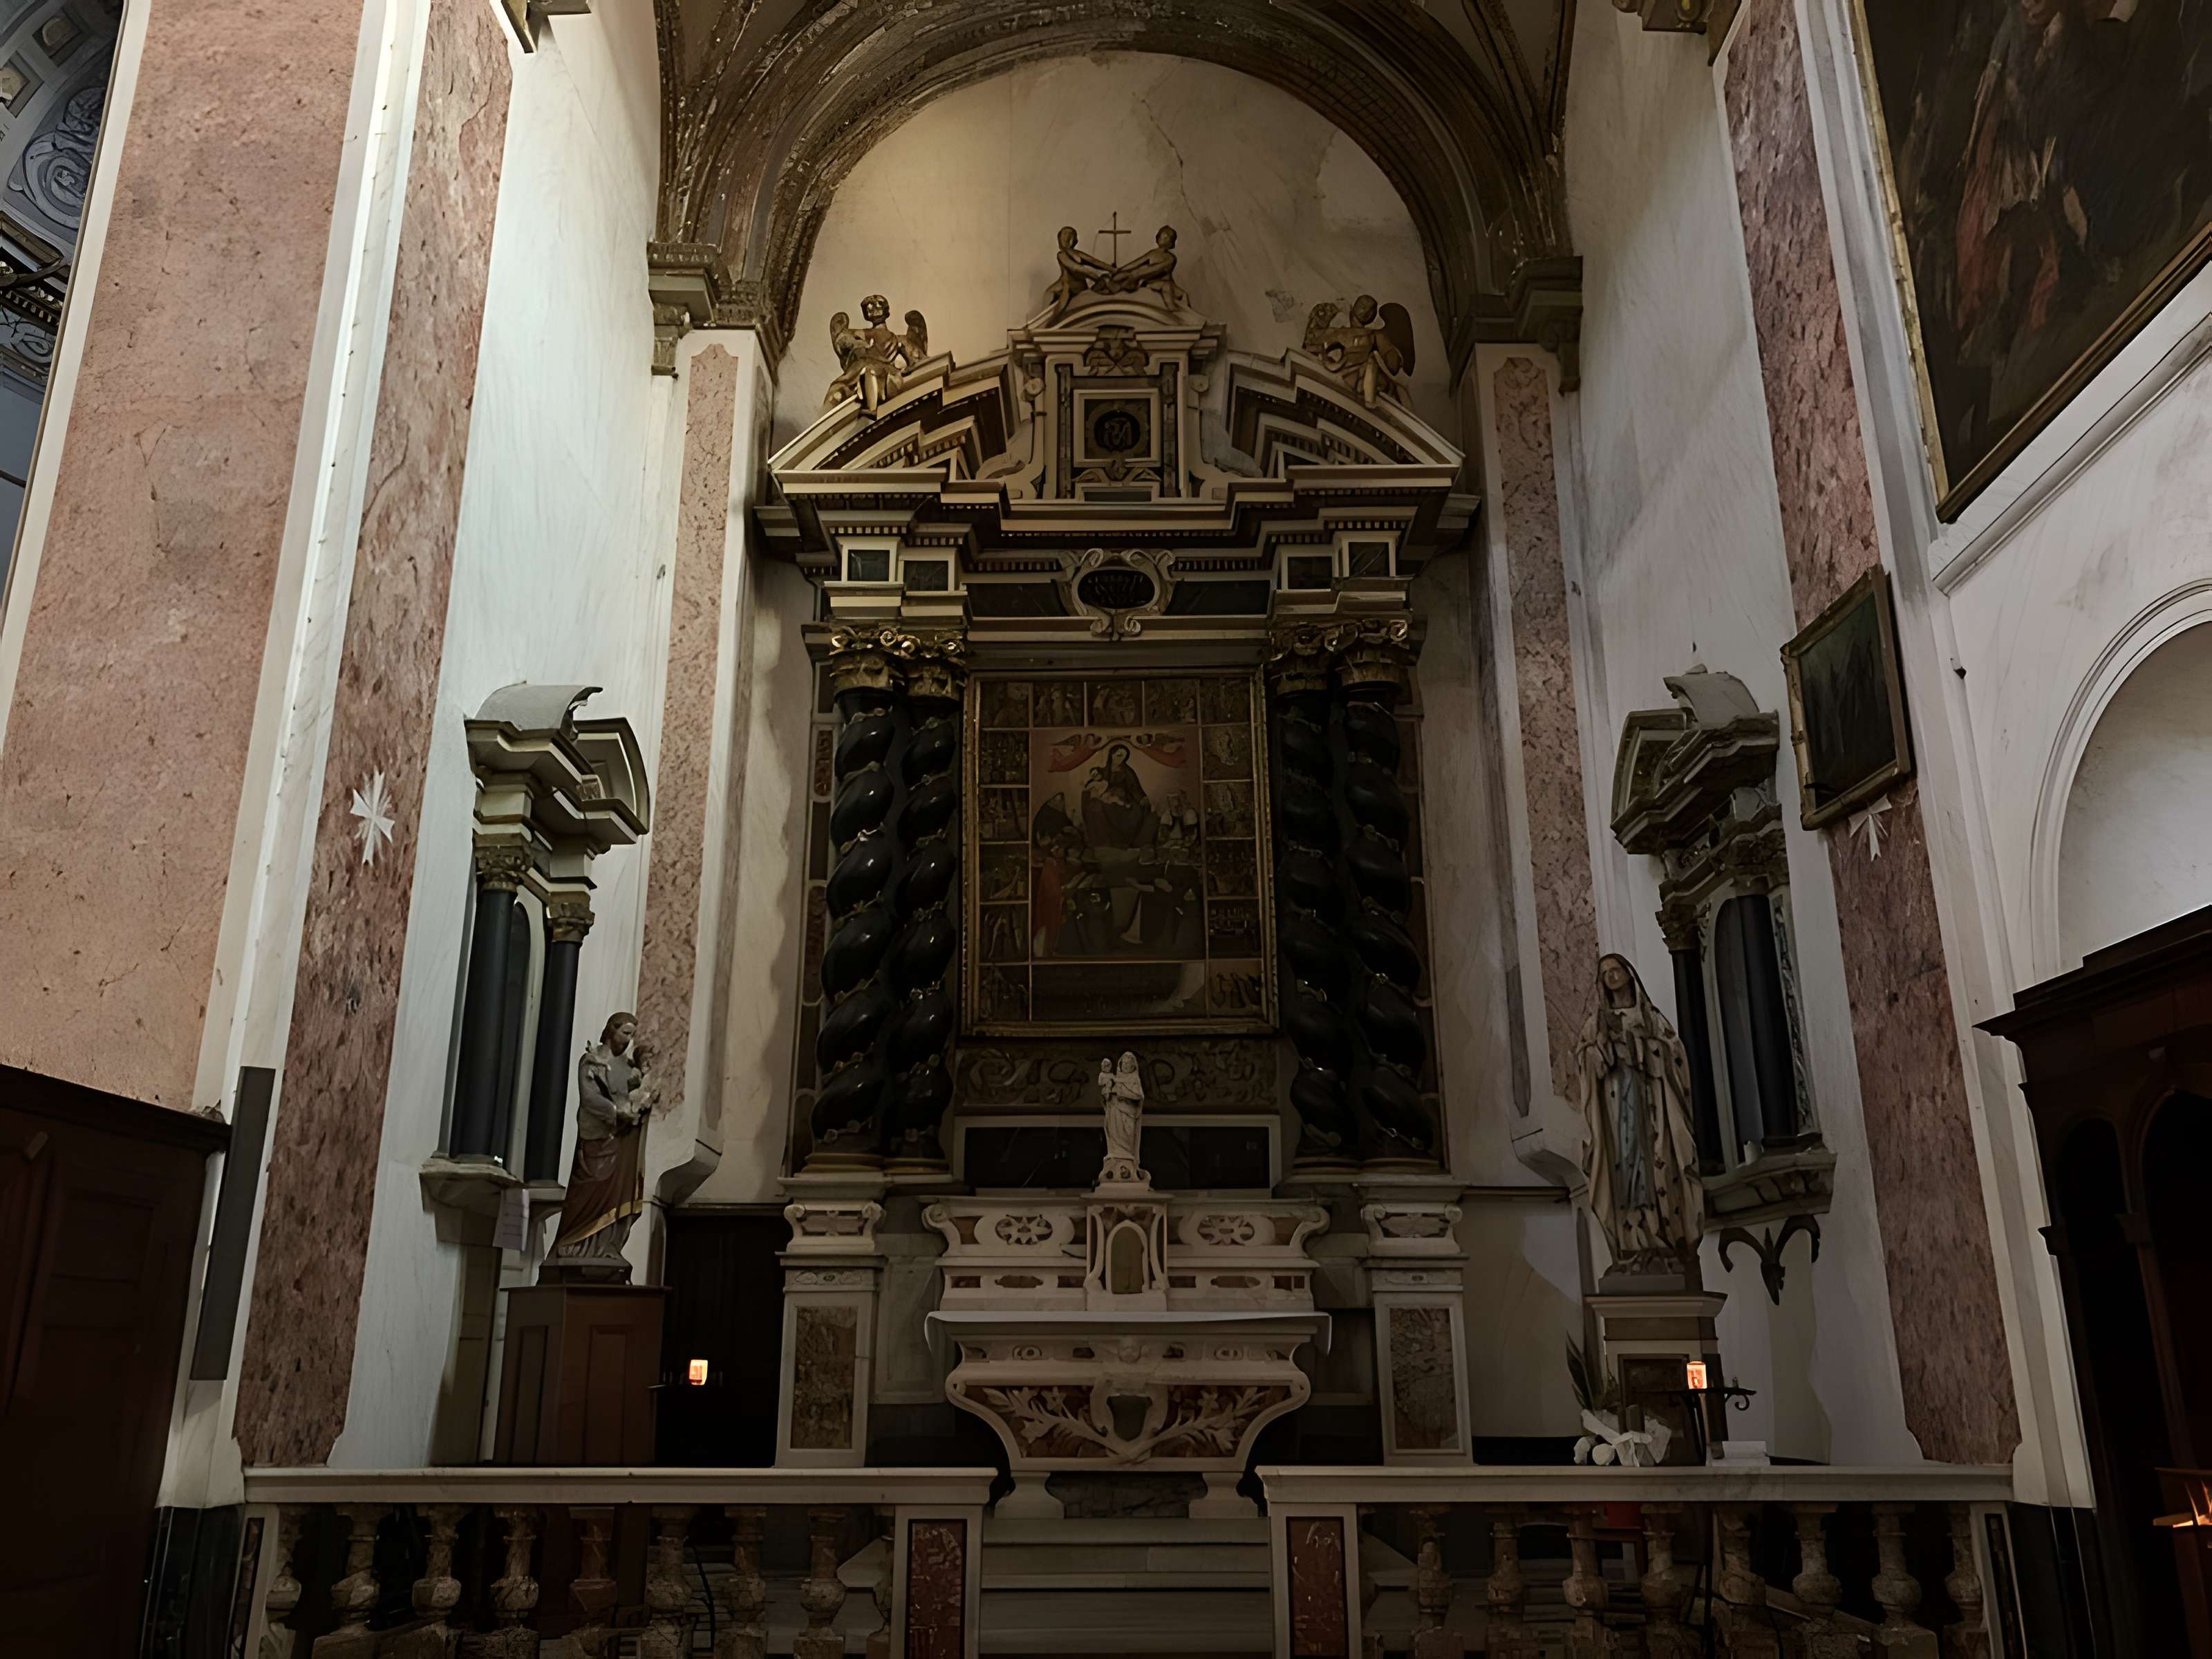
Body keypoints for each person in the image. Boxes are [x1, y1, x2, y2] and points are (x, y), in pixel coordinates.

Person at [1573, 955, 1704, 1273]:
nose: (1612, 977)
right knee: (1624, 1170)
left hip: (1652, 1110)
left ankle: (1662, 1239)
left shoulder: (1651, 1019)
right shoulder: (1597, 1023)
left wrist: (1639, 1050)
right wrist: (1598, 1053)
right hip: (1616, 1110)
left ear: (1629, 975)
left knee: (1656, 1165)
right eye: (1605, 974)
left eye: (1616, 971)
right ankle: (1632, 1244)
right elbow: (1584, 1061)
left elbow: (1675, 1057)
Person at [546, 1013, 654, 1281]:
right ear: (611, 1031)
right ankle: (573, 1242)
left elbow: (639, 1096)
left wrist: (642, 1101)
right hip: (599, 1139)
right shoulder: (593, 1060)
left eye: (632, 1036)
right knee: (590, 1188)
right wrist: (617, 1112)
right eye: (625, 1034)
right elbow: (590, 1099)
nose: (629, 1041)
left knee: (619, 1194)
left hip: (624, 1141)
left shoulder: (630, 1069)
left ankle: (607, 1247)